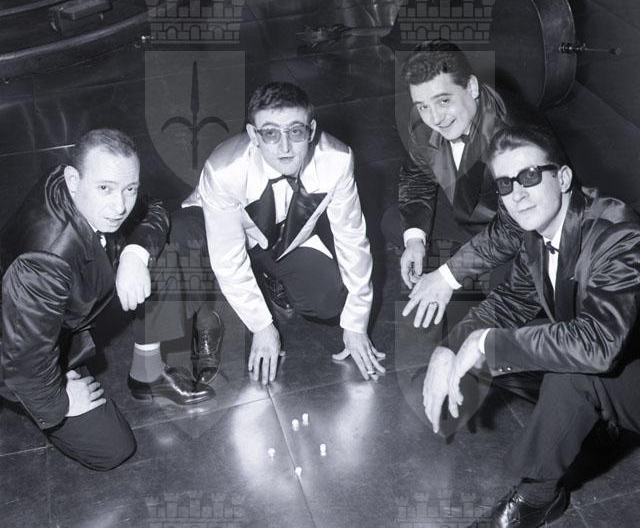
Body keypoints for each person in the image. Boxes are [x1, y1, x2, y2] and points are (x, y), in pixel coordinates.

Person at [423, 125, 640, 528]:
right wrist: (450, 349)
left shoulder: (618, 234)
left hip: (624, 364)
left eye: (529, 176)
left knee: (566, 368)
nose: (517, 195)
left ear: (563, 177)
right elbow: (512, 300)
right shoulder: (538, 233)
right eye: (505, 184)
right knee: (498, 357)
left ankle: (538, 498)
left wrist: (486, 344)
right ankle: (594, 421)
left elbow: (599, 343)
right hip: (621, 369)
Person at [0, 128, 214, 471]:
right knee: (113, 448)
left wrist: (134, 254)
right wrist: (60, 399)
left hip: (59, 318)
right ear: (73, 181)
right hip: (19, 351)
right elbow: (23, 361)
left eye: (129, 189)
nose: (119, 206)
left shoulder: (81, 179)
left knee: (182, 229)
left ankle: (148, 373)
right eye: (105, 189)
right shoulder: (45, 262)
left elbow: (154, 209)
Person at [160, 81, 385, 386]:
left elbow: (352, 238)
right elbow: (228, 257)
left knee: (329, 301)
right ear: (254, 135)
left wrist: (356, 322)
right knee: (180, 235)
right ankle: (203, 315)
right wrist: (262, 327)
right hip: (216, 229)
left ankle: (269, 276)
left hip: (283, 239)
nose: (285, 147)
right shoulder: (224, 169)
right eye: (270, 133)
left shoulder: (338, 160)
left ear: (311, 130)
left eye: (295, 131)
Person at [383, 41, 540, 329]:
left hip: (524, 229)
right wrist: (415, 241)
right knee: (395, 223)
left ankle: (472, 272)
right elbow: (417, 177)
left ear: (472, 87)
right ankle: (469, 265)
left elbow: (515, 227)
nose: (435, 118)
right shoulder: (424, 120)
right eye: (423, 105)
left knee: (508, 299)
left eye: (444, 101)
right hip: (473, 210)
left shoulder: (514, 135)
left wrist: (447, 276)